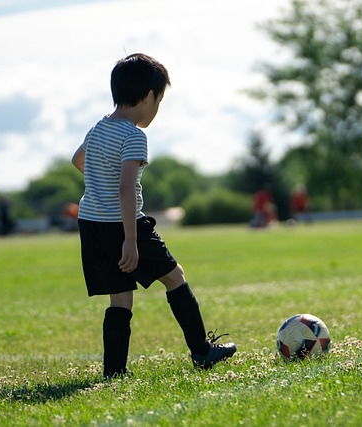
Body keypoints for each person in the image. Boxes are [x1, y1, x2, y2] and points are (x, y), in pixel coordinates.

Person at [71, 53, 236, 379]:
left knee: (120, 296)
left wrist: (98, 188)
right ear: (148, 96)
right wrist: (131, 241)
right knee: (175, 276)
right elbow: (126, 189)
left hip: (91, 224)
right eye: (158, 101)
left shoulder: (98, 128)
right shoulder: (134, 136)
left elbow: (78, 160)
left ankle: (114, 372)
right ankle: (202, 352)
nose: (156, 108)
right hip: (122, 226)